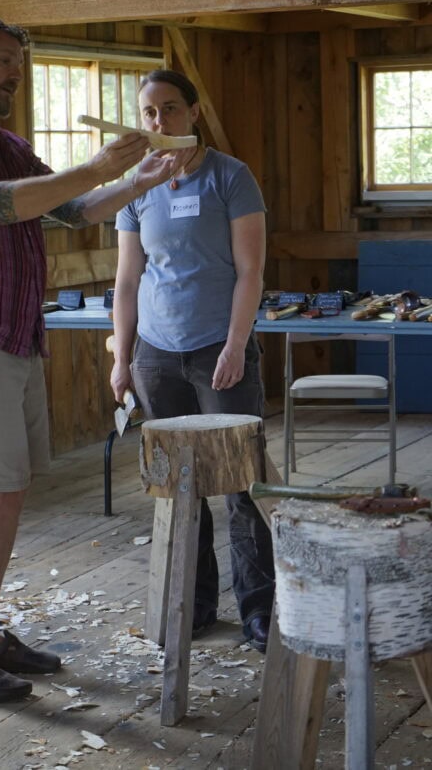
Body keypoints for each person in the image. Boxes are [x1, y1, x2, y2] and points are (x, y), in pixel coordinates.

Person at [0, 15, 192, 704]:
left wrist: (138, 179)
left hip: (14, 335)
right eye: (2, 62)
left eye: (19, 64)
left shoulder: (5, 143)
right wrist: (93, 166)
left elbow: (74, 211)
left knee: (8, 493)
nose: (13, 75)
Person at [110, 69, 275, 652]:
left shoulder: (230, 177)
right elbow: (127, 280)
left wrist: (235, 344)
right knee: (180, 486)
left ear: (194, 111)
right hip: (157, 354)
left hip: (217, 348)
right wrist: (122, 356)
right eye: (149, 113)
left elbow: (250, 271)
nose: (160, 122)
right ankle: (195, 604)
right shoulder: (137, 185)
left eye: (171, 109)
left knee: (242, 482)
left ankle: (259, 610)